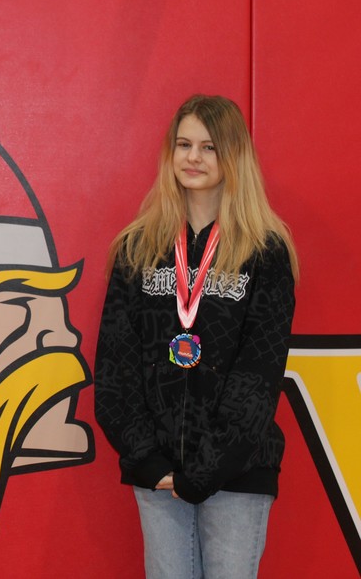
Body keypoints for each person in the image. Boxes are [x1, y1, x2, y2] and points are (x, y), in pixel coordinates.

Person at [94, 94, 297, 579]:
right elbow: (114, 367)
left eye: (208, 147)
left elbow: (259, 374)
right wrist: (147, 458)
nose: (193, 158)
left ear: (233, 156)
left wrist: (206, 471)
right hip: (158, 473)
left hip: (238, 472)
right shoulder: (136, 247)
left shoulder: (266, 252)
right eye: (183, 144)